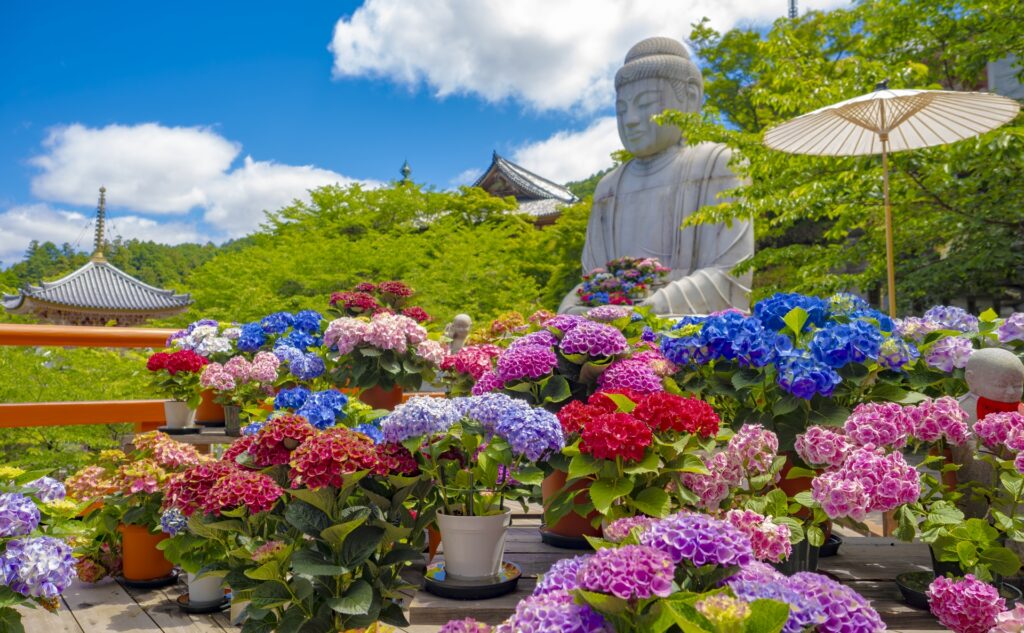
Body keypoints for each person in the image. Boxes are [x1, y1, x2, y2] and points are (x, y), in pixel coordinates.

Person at [559, 37, 753, 316]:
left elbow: (731, 278)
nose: (631, 120)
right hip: (611, 329)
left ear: (690, 98)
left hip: (685, 330)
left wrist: (648, 309)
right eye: (621, 110)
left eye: (645, 103)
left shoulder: (718, 164)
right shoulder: (608, 188)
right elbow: (596, 282)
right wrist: (572, 306)